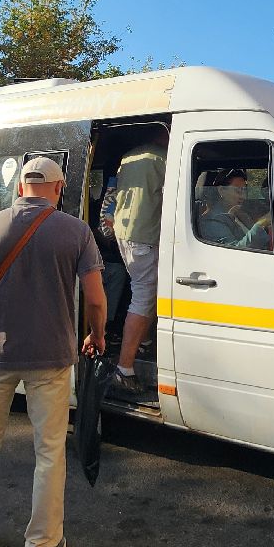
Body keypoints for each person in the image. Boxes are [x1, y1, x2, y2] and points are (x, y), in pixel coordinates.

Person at [0, 156, 107, 547]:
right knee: (49, 452)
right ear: (58, 188)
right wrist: (96, 334)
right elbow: (94, 299)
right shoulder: (76, 231)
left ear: (21, 186)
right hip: (52, 358)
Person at [110, 131, 167, 393]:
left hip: (124, 232)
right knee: (143, 297)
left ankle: (143, 341)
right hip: (145, 235)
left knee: (145, 292)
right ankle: (125, 368)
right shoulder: (164, 158)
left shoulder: (128, 156)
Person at [198, 169, 272, 251]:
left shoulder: (239, 215)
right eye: (237, 190)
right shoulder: (211, 221)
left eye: (244, 190)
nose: (242, 196)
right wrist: (261, 223)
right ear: (221, 190)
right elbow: (235, 251)